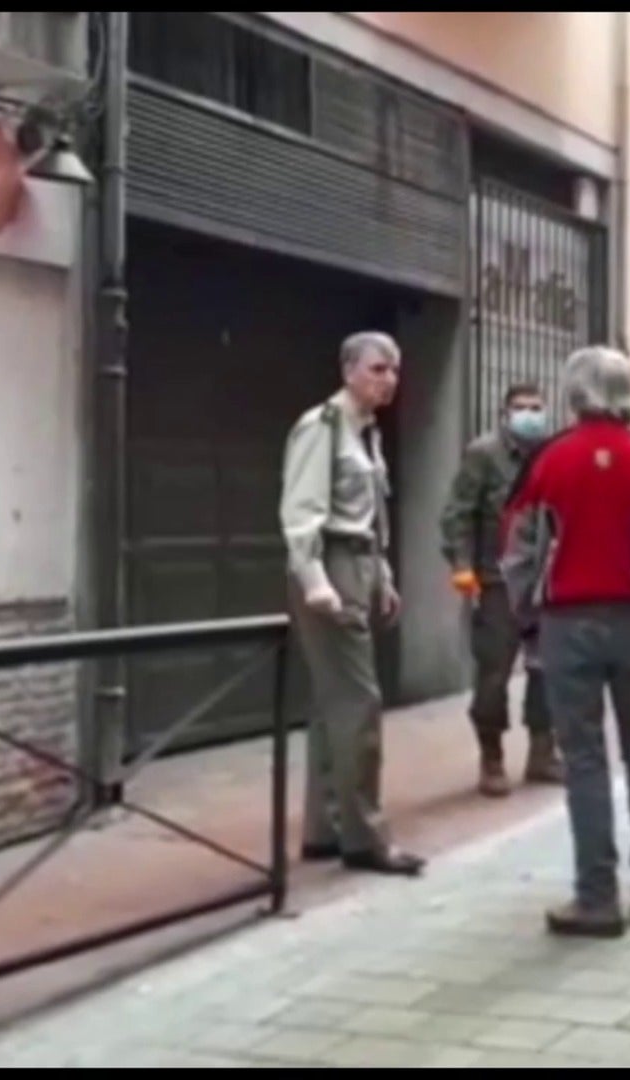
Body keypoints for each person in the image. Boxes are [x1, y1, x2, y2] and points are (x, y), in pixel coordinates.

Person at [500, 346, 630, 937]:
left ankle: (597, 897)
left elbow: (517, 551)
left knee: (584, 761)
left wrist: (528, 621)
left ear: (574, 393)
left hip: (568, 624)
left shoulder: (549, 460)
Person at [279, 330, 424, 877]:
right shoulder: (321, 426)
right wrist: (315, 579)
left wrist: (382, 574)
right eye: (377, 369)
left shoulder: (367, 432)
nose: (389, 380)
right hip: (332, 562)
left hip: (360, 561)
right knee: (358, 702)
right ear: (348, 371)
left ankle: (326, 828)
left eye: (394, 370)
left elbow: (370, 514)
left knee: (332, 703)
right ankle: (366, 836)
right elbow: (301, 509)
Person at [440, 382, 563, 797]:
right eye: (521, 408)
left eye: (537, 408)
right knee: (494, 672)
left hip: (546, 580)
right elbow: (458, 514)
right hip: (498, 580)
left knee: (547, 668)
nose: (530, 415)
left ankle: (542, 752)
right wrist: (462, 565)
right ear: (505, 414)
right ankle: (491, 757)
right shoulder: (484, 454)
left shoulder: (554, 455)